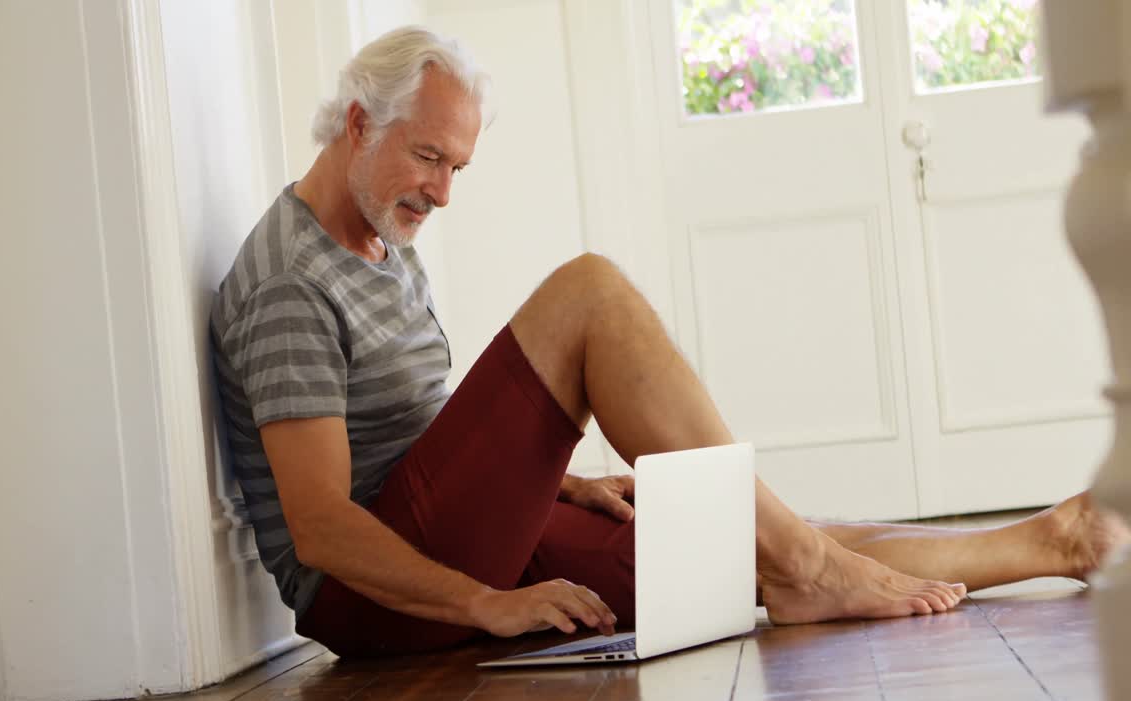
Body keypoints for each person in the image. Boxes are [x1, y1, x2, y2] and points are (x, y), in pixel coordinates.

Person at [209, 26, 1128, 659]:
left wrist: (552, 481)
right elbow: (323, 527)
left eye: (457, 167)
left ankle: (1045, 543)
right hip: (373, 597)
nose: (444, 192)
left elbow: (409, 436)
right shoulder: (295, 279)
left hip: (443, 535)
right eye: (430, 158)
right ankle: (812, 567)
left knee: (733, 547)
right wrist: (488, 604)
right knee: (589, 294)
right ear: (360, 123)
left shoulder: (382, 234)